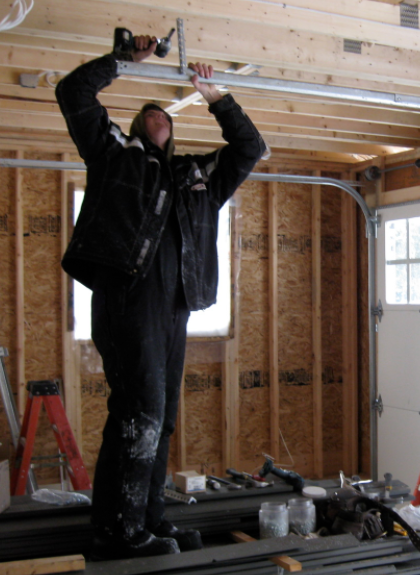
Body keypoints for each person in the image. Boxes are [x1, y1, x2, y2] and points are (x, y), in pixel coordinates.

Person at [55, 34, 266, 560]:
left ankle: (146, 518)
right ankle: (119, 532)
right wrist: (125, 60)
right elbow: (73, 93)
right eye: (146, 113)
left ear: (173, 131)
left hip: (173, 309)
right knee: (139, 411)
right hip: (127, 301)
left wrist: (217, 96)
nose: (156, 114)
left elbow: (250, 149)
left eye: (162, 112)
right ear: (134, 128)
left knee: (162, 414)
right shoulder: (114, 156)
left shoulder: (195, 176)